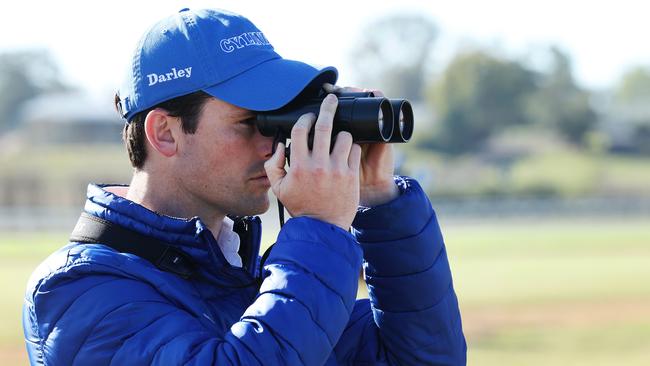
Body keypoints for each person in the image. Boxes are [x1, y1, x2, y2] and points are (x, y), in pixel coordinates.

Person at [22, 8, 466, 365]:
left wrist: (377, 200)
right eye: (251, 122)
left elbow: (425, 356)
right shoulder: (76, 290)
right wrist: (317, 226)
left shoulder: (256, 281)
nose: (273, 145)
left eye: (279, 122)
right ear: (166, 134)